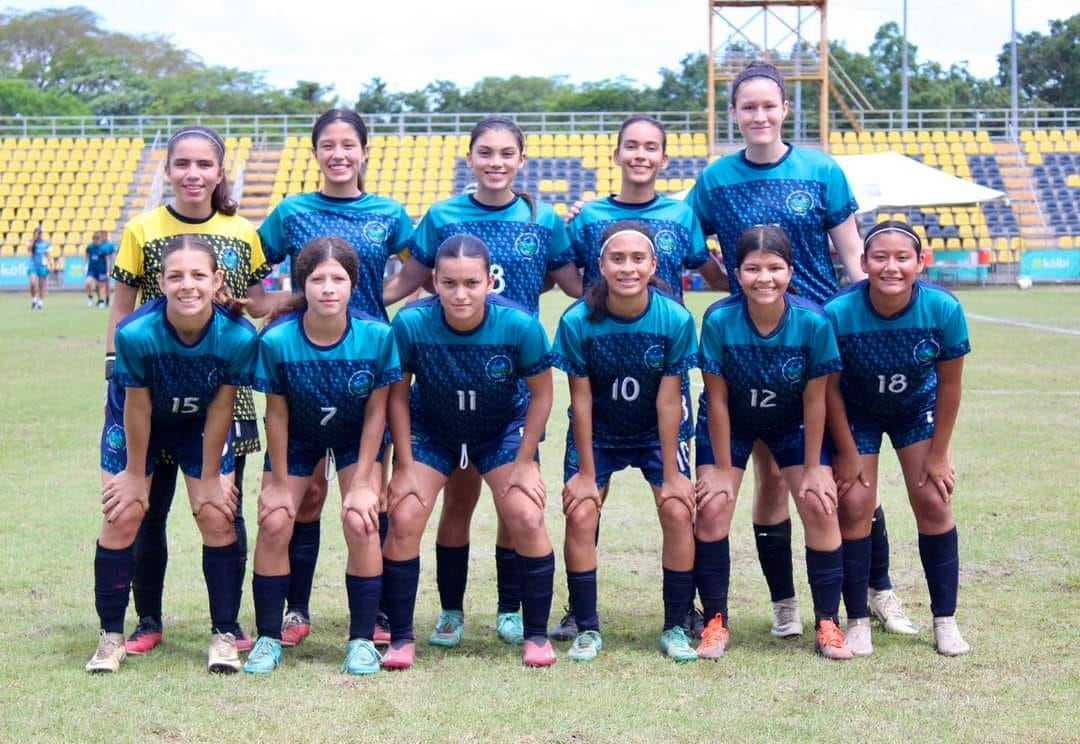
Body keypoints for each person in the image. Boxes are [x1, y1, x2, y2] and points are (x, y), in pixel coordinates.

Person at [687, 60, 915, 639]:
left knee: (845, 474)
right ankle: (786, 604)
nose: (759, 115)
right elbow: (693, 247)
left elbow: (852, 255)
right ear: (734, 113)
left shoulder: (821, 168)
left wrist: (862, 321)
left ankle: (876, 590)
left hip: (817, 339)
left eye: (769, 105)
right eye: (748, 107)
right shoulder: (714, 180)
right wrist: (729, 286)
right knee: (769, 478)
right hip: (752, 346)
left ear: (786, 108)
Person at [384, 117, 580, 649]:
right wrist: (345, 305)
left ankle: (511, 609)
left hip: (506, 377)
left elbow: (573, 282)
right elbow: (409, 279)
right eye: (485, 152)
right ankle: (449, 612)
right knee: (457, 503)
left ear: (522, 159)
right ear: (470, 157)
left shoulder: (545, 219)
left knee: (516, 506)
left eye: (506, 153)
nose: (495, 162)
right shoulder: (444, 215)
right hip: (444, 378)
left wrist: (629, 283)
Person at [554, 115, 726, 641]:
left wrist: (753, 289)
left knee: (678, 504)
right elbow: (563, 272)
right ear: (617, 153)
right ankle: (580, 615)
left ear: (664, 158)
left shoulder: (682, 213)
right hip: (604, 368)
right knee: (583, 505)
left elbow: (710, 267)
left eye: (652, 147)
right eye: (632, 145)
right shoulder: (588, 220)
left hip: (660, 365)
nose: (641, 154)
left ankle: (683, 612)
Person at [105, 125, 273, 656]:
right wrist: (115, 368)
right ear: (169, 169)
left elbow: (254, 302)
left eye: (204, 165)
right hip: (150, 383)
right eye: (183, 164)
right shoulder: (143, 227)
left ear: (220, 172)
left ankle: (228, 623)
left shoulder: (242, 231)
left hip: (222, 384)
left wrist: (295, 308)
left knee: (222, 503)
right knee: (147, 507)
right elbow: (122, 305)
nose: (193, 174)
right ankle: (147, 619)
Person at [258, 109, 414, 648]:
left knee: (371, 493)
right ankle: (294, 610)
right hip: (307, 357)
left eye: (349, 144)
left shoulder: (388, 212)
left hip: (370, 362)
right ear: (316, 151)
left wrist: (377, 302)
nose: (340, 153)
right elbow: (250, 271)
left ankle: (381, 616)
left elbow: (418, 269)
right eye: (329, 144)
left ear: (365, 151)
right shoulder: (293, 211)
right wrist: (284, 300)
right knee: (305, 495)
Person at [382, 235, 557, 670]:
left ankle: (534, 633)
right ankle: (408, 634)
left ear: (488, 282)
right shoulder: (411, 323)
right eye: (449, 283)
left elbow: (542, 395)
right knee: (404, 515)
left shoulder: (518, 324)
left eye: (471, 283)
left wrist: (524, 462)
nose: (461, 294)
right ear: (434, 282)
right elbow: (397, 398)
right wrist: (403, 466)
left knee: (526, 514)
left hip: (499, 430)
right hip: (434, 429)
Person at [87, 235, 258, 674]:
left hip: (197, 426)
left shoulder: (238, 335)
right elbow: (138, 406)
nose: (188, 285)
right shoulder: (136, 332)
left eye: (199, 275)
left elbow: (222, 406)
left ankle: (223, 634)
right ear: (160, 282)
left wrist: (211, 473)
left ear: (217, 279)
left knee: (216, 513)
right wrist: (133, 473)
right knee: (125, 512)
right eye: (176, 276)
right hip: (136, 425)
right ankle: (110, 636)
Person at [244, 237, 400, 676]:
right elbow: (276, 415)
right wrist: (275, 482)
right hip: (298, 439)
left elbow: (377, 412)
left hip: (356, 440)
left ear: (354, 284)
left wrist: (367, 480)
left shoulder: (376, 336)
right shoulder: (277, 341)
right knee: (275, 520)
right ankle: (269, 638)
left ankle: (362, 641)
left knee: (361, 519)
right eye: (317, 279)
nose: (328, 288)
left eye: (338, 279)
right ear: (302, 284)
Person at [694, 225, 851, 660]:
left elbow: (816, 398)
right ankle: (714, 621)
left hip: (791, 422)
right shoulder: (720, 319)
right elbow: (718, 398)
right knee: (713, 505)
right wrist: (723, 468)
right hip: (731, 422)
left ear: (790, 270)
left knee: (820, 502)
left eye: (775, 268)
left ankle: (827, 622)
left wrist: (817, 467)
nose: (765, 278)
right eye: (752, 268)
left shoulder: (812, 320)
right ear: (735, 272)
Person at [551, 222, 699, 664]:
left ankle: (676, 624)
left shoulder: (674, 317)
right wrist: (586, 475)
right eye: (618, 259)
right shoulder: (578, 320)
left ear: (654, 265)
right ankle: (586, 625)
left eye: (638, 259)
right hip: (599, 433)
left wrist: (673, 476)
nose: (628, 267)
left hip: (657, 432)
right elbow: (580, 401)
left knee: (676, 509)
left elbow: (670, 400)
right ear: (600, 266)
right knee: (580, 513)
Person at [825, 220, 971, 657]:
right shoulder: (837, 312)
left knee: (933, 500)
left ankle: (945, 620)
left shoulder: (943, 308)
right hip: (858, 412)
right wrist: (847, 452)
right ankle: (857, 621)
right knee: (853, 505)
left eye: (902, 257)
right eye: (881, 258)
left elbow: (950, 385)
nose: (892, 267)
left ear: (920, 263)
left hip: (915, 411)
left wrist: (939, 454)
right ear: (863, 263)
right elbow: (829, 388)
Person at [85, 231, 116, 308]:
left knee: (101, 286)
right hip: (92, 270)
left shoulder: (104, 248)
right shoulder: (90, 247)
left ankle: (102, 300)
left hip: (102, 270)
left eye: (98, 238)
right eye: (95, 239)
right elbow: (87, 256)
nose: (96, 240)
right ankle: (90, 297)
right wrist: (85, 265)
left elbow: (108, 260)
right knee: (88, 282)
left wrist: (108, 271)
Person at [27, 227, 50, 310]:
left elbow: (47, 254)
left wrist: (50, 263)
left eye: (40, 233)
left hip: (42, 265)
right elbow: (29, 250)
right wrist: (34, 240)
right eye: (37, 233)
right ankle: (34, 299)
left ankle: (40, 302)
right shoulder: (30, 241)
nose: (39, 235)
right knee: (32, 282)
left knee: (41, 284)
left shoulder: (46, 243)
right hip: (33, 264)